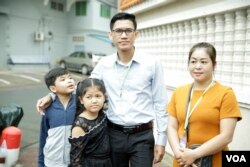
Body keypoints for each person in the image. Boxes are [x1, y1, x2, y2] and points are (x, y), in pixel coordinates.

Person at [36, 12, 168, 167]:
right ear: (111, 35)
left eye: (128, 31)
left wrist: (161, 140)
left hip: (142, 135)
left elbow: (160, 103)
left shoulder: (152, 63)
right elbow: (84, 89)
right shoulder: (104, 64)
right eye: (118, 31)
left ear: (136, 34)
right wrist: (52, 96)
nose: (123, 35)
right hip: (113, 134)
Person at [167, 42, 242, 167]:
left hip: (213, 161)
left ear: (214, 65)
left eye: (203, 62)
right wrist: (179, 154)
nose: (197, 66)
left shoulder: (225, 93)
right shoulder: (179, 92)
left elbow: (226, 136)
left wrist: (194, 154)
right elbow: (171, 127)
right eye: (193, 61)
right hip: (182, 161)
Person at [68, 78, 111, 167]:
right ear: (81, 100)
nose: (94, 101)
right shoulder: (80, 125)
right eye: (89, 97)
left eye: (98, 96)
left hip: (108, 162)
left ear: (104, 97)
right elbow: (76, 158)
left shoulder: (103, 115)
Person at [38, 67, 76, 167]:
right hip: (51, 162)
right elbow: (43, 137)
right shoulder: (48, 108)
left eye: (70, 78)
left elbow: (86, 89)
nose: (69, 81)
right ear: (53, 88)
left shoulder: (80, 102)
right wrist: (41, 164)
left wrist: (50, 96)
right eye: (63, 79)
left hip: (74, 161)